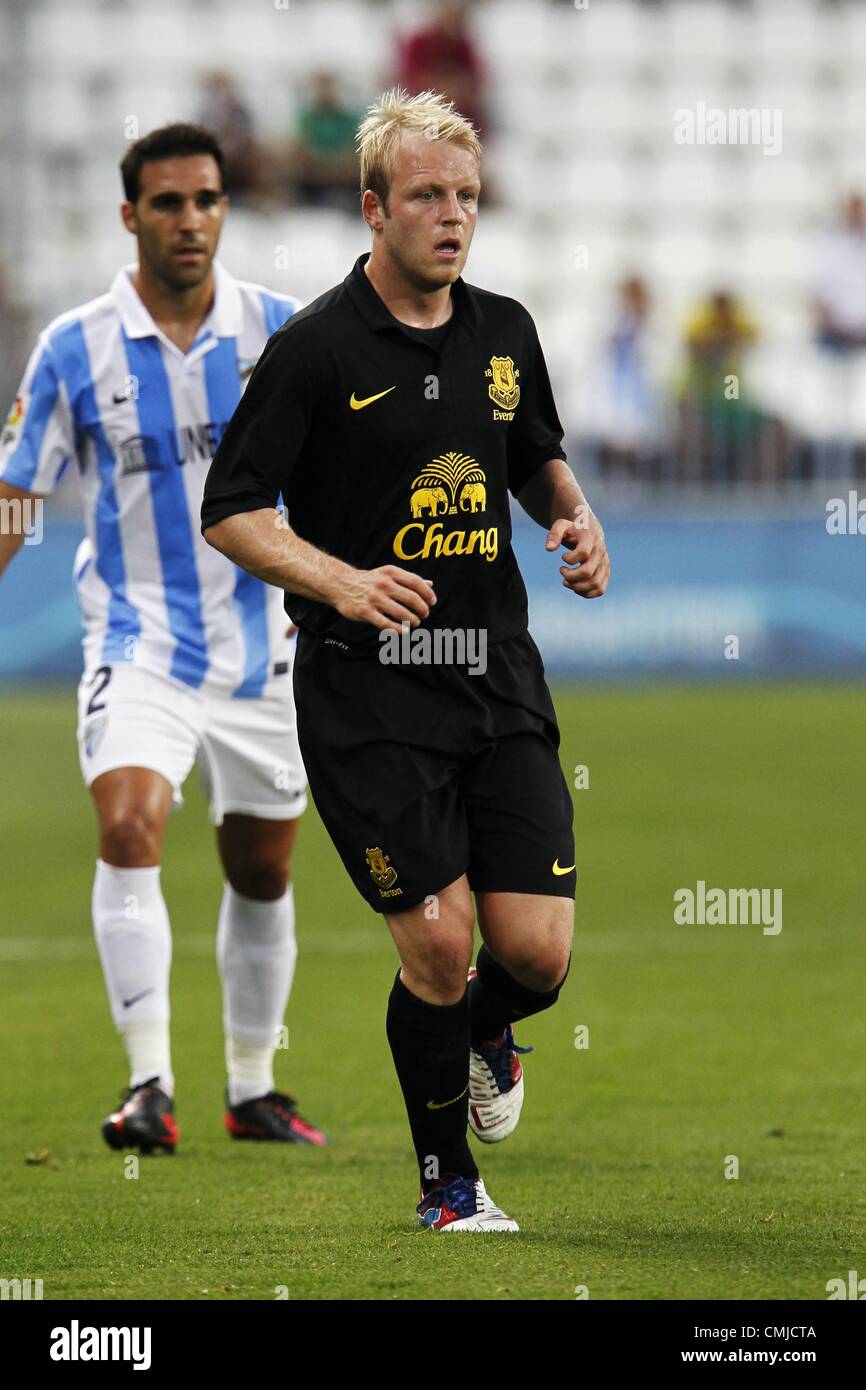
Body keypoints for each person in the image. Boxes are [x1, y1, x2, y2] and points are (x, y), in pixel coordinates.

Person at [201, 88, 609, 1233]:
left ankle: (487, 1029)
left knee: (532, 952)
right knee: (438, 939)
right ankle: (448, 1189)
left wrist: (574, 519)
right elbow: (231, 509)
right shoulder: (315, 349)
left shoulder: (505, 330)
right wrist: (341, 580)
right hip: (365, 691)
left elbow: (533, 455)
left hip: (494, 670)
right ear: (372, 208)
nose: (452, 216)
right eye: (427, 195)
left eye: (466, 196)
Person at [0, 124, 325, 1155]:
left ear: (225, 209)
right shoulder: (72, 348)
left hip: (263, 646)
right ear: (130, 214)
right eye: (170, 202)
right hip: (137, 637)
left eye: (208, 199)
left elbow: (344, 479)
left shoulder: (280, 334)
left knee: (261, 871)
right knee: (131, 826)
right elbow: (16, 498)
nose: (191, 220)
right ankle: (148, 1082)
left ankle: (252, 1086)